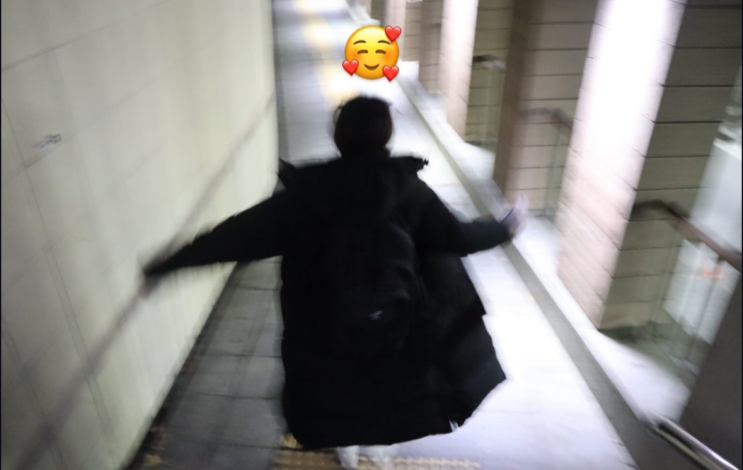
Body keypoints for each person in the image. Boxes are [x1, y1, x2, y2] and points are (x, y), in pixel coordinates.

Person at [142, 96, 527, 469]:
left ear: (338, 136)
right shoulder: (408, 191)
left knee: (338, 390)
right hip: (394, 323)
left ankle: (346, 447)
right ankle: (381, 449)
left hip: (321, 328)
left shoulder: (305, 196)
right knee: (388, 385)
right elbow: (458, 237)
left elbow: (237, 236)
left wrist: (171, 263)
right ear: (386, 136)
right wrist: (505, 227)